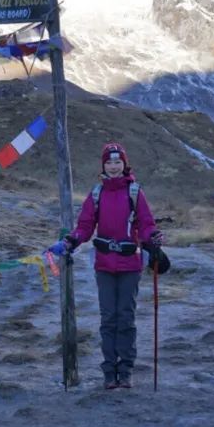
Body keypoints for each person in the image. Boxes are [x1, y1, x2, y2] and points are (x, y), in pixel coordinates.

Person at [49, 142, 165, 390]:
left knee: (126, 317)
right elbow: (85, 226)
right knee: (108, 318)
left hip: (130, 265)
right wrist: (71, 240)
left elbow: (145, 223)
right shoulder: (96, 194)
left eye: (117, 162)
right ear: (103, 165)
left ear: (124, 165)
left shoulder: (135, 192)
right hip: (103, 265)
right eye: (109, 163)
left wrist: (152, 236)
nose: (113, 167)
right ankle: (109, 372)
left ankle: (125, 371)